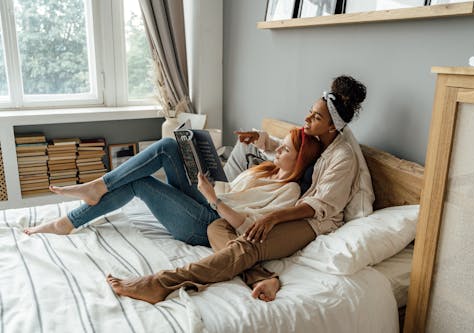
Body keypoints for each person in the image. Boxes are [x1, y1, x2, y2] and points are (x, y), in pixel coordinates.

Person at [106, 75, 370, 303]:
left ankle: (160, 284)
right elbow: (291, 148)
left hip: (315, 221)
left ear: (332, 126)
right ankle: (263, 278)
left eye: (316, 116)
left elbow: (320, 206)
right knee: (216, 227)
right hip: (299, 210)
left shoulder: (343, 157)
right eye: (310, 111)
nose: (307, 118)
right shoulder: (318, 136)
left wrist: (272, 217)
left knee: (248, 244)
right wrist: (261, 140)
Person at [24, 128, 322, 248]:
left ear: (300, 160)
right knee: (168, 146)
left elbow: (246, 227)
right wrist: (209, 181)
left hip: (210, 224)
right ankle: (98, 187)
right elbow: (243, 177)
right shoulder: (266, 168)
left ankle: (69, 220)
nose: (276, 151)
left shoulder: (290, 193)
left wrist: (212, 198)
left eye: (284, 149)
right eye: (279, 146)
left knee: (141, 182)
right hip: (209, 201)